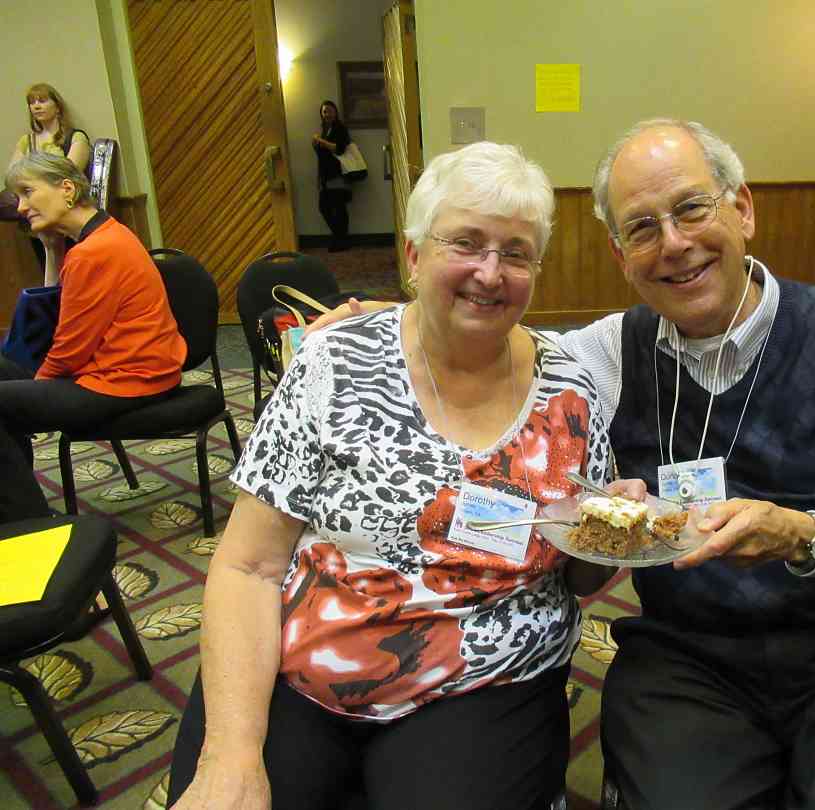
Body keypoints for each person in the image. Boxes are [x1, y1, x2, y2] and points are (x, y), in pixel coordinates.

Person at [307, 119, 815, 810]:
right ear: (619, 253)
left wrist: (807, 535)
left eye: (692, 208)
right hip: (689, 659)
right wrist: (389, 323)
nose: (674, 244)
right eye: (641, 228)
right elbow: (490, 338)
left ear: (743, 208)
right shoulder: (603, 355)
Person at [167, 141, 624, 810]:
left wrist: (612, 531)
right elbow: (247, 567)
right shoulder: (332, 362)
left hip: (482, 678)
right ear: (413, 257)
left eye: (516, 253)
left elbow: (579, 576)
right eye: (465, 243)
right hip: (305, 663)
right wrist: (232, 752)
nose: (490, 273)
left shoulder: (571, 390)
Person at [0, 153, 187, 497]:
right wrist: (53, 251)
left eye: (28, 192)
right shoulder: (105, 234)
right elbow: (56, 310)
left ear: (67, 189)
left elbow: (69, 349)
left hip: (126, 381)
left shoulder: (93, 252)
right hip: (135, 371)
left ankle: (24, 512)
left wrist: (39, 390)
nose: (22, 207)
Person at [8, 83, 92, 266]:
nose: (36, 106)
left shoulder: (75, 137)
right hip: (38, 214)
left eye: (42, 100)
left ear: (57, 106)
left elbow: (68, 172)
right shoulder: (26, 141)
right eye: (32, 102)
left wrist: (32, 177)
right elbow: (13, 177)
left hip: (68, 210)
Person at [312, 99, 352, 252]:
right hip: (326, 176)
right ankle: (340, 238)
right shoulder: (323, 130)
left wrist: (321, 141)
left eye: (329, 110)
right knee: (324, 207)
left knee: (339, 208)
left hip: (338, 175)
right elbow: (321, 156)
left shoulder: (340, 128)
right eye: (324, 111)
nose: (326, 114)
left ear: (335, 112)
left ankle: (341, 240)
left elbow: (340, 149)